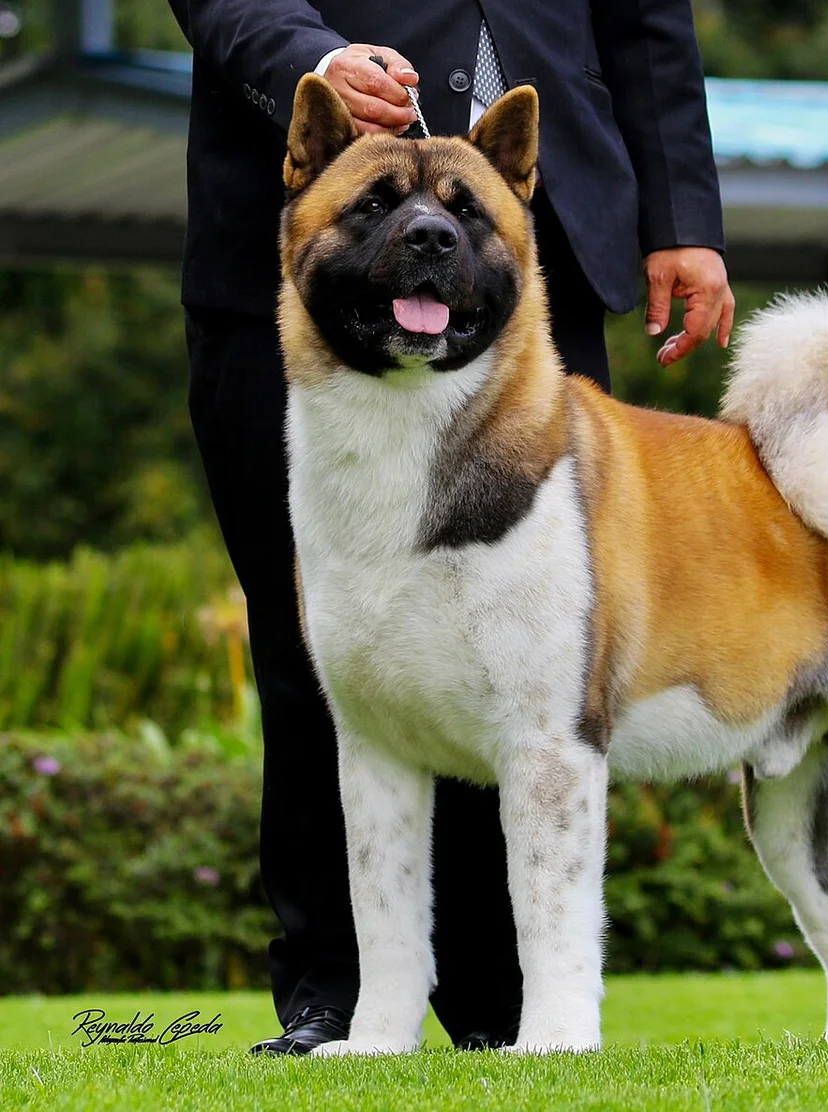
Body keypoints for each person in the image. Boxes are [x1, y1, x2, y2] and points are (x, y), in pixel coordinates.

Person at [168, 0, 735, 1055]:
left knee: (535, 654)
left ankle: (507, 1003)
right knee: (317, 647)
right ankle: (331, 995)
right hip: (316, 253)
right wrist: (316, 62)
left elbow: (645, 14)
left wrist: (683, 214)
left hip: (529, 256)